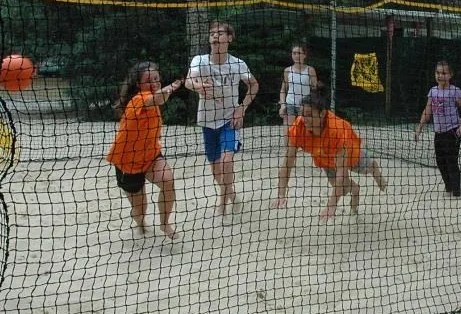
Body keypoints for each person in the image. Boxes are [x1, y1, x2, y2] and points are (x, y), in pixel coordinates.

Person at [275, 91, 387, 222]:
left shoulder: (336, 131)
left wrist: (331, 206)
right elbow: (287, 164)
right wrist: (281, 194)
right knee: (343, 189)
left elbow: (341, 172)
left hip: (350, 154)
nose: (304, 119)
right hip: (324, 158)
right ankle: (355, 189)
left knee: (367, 169)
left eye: (309, 115)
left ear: (322, 114)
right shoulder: (298, 128)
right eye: (302, 114)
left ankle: (374, 169)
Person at [185, 21, 260, 216]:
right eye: (212, 33)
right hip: (207, 120)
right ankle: (231, 193)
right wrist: (197, 86)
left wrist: (241, 109)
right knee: (216, 169)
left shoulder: (237, 64)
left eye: (219, 33)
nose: (215, 36)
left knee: (227, 161)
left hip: (230, 120)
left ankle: (223, 204)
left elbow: (254, 86)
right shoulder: (200, 61)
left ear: (229, 38)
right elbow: (188, 81)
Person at [106, 62, 183, 240]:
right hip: (127, 162)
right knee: (140, 210)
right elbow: (158, 98)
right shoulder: (139, 99)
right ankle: (139, 222)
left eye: (156, 79)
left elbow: (159, 97)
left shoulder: (153, 95)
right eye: (149, 80)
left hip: (150, 156)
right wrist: (172, 87)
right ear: (138, 84)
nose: (154, 82)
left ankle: (164, 223)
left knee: (168, 180)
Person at [413, 61, 461, 197]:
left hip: (452, 132)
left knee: (451, 161)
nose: (440, 76)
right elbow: (427, 111)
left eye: (443, 73)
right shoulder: (432, 91)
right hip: (438, 133)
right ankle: (449, 186)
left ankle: (456, 192)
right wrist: (419, 128)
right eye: (438, 73)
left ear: (450, 75)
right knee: (440, 161)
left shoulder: (455, 91)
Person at [278, 42, 318, 128]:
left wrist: (314, 105)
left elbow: (315, 90)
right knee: (288, 129)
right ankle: (287, 142)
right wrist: (282, 105)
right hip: (290, 103)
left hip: (305, 105)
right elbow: (283, 90)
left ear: (305, 55)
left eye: (299, 53)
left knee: (304, 130)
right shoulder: (287, 70)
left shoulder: (310, 70)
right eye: (294, 53)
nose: (296, 55)